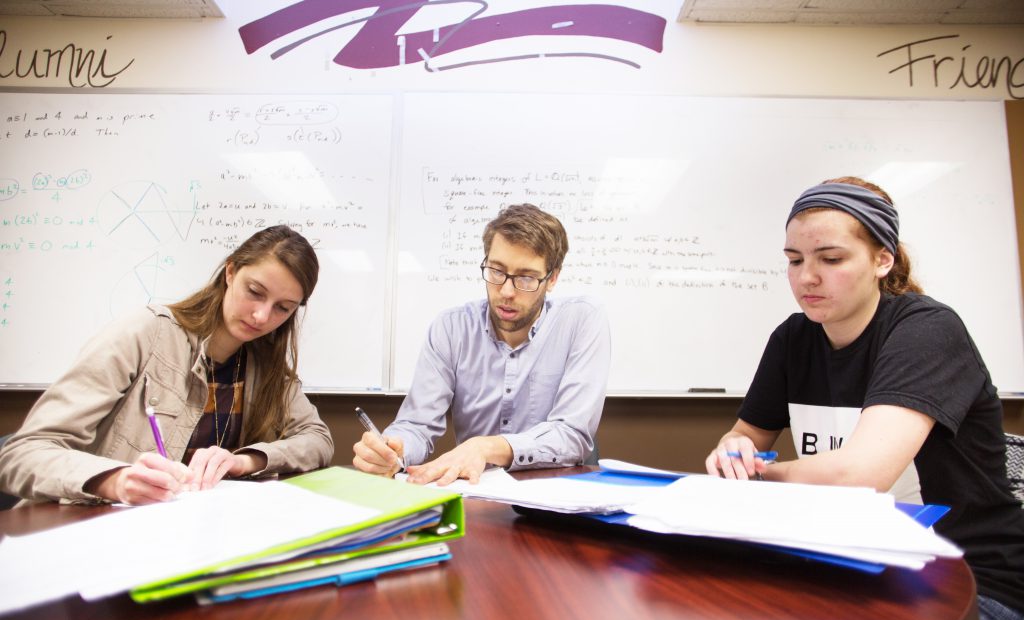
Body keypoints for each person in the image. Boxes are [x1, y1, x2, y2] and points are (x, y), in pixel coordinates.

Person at [705, 176, 1024, 620]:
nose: (807, 277)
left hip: (970, 583)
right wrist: (734, 451)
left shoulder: (926, 330)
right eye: (794, 260)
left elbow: (860, 474)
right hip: (856, 570)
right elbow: (742, 435)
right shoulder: (793, 339)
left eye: (830, 260)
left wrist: (760, 478)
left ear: (883, 260)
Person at [0, 225, 333, 505]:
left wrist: (245, 460)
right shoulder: (146, 333)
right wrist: (115, 481)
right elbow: (22, 453)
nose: (262, 316)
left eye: (283, 308)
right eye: (255, 292)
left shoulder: (265, 365)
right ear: (230, 272)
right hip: (97, 528)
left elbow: (318, 439)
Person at [352, 203, 610, 486]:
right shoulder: (451, 328)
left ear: (553, 278)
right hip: (480, 491)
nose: (507, 291)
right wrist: (394, 449)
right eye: (496, 271)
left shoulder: (581, 320)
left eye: (526, 278)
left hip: (558, 492)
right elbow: (417, 424)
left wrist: (486, 447)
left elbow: (572, 434)